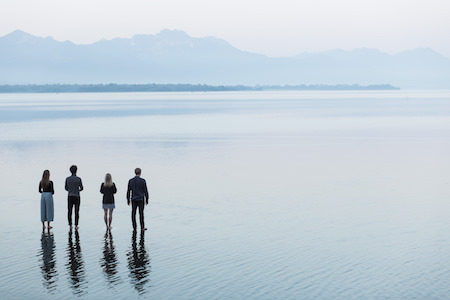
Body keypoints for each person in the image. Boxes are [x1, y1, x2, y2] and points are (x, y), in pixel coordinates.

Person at [65, 165, 83, 230]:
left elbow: (66, 188)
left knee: (69, 210)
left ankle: (70, 225)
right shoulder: (78, 179)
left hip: (70, 195)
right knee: (76, 211)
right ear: (76, 171)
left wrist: (70, 190)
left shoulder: (67, 179)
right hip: (77, 196)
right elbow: (82, 188)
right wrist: (78, 190)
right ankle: (76, 225)